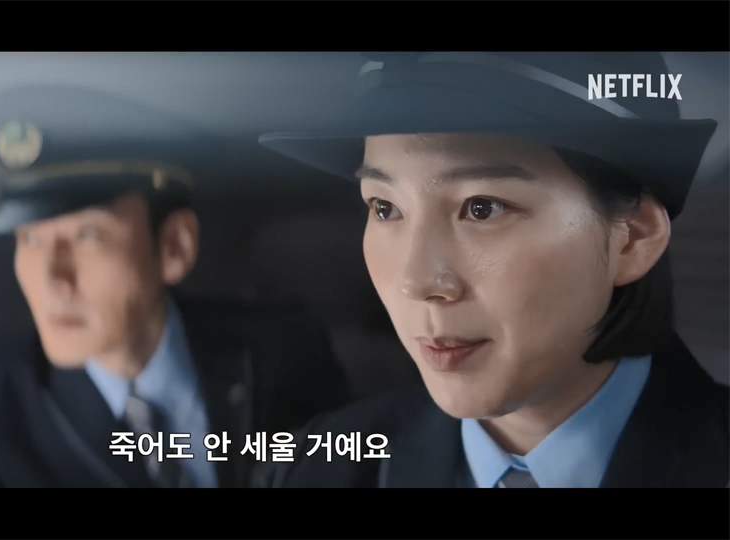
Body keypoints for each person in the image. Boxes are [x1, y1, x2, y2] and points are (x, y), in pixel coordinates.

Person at [255, 52, 729, 487]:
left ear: (633, 237)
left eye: (482, 208)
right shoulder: (316, 470)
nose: (417, 282)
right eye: (384, 207)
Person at [0, 84, 350, 488]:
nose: (53, 280)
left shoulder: (285, 352)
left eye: (87, 236)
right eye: (31, 239)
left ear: (175, 246)